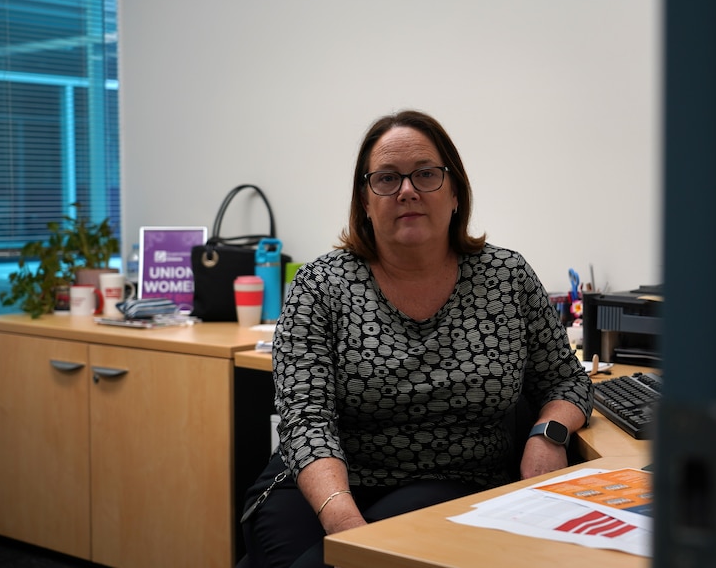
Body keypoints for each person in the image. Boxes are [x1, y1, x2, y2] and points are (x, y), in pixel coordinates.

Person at [240, 110, 593, 568]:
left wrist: (549, 434)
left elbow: (566, 381)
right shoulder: (319, 285)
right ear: (365, 201)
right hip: (321, 484)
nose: (407, 190)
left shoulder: (506, 276)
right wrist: (347, 526)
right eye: (386, 178)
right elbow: (306, 419)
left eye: (425, 174)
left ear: (455, 192)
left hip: (452, 480)